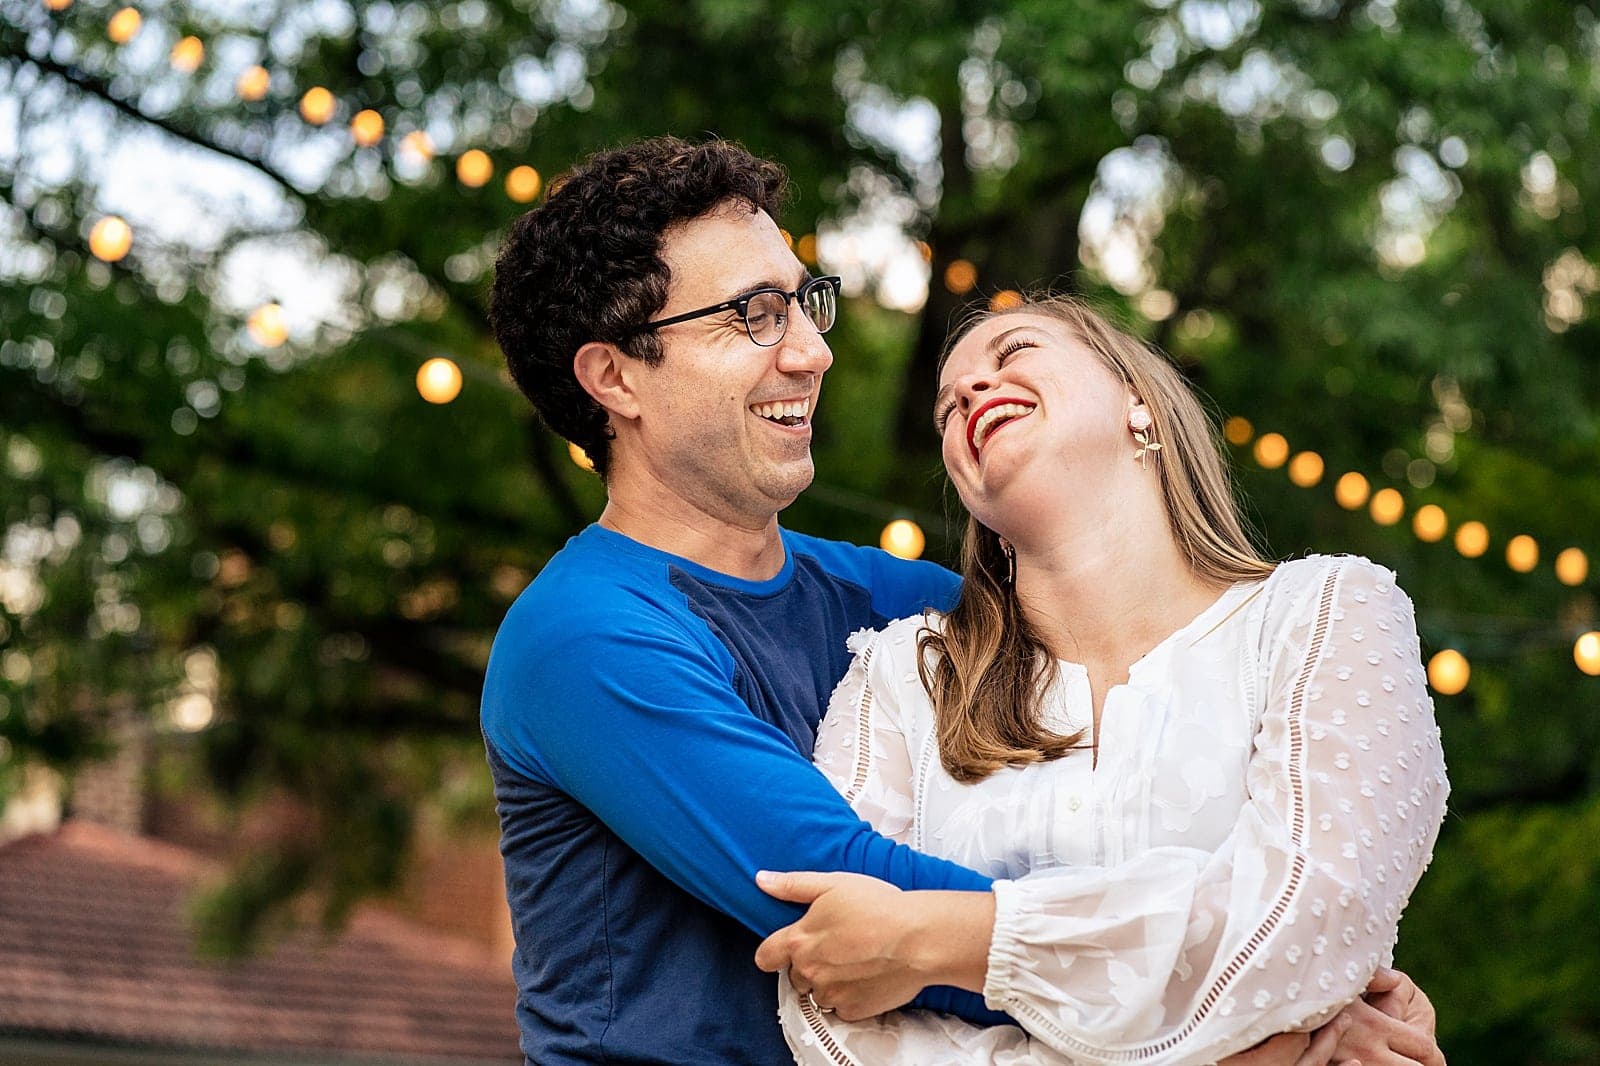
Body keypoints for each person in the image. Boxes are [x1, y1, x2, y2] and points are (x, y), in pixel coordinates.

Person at [483, 135, 1442, 1066]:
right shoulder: (586, 638)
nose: (812, 352)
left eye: (805, 303)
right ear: (615, 378)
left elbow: (1153, 822)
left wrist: (1317, 964)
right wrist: (1256, 1023)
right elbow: (850, 901)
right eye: (753, 315)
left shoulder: (899, 608)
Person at [755, 296, 1449, 1065]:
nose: (970, 395)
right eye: (948, 407)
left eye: (1013, 352)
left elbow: (1309, 921)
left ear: (1139, 400)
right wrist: (1252, 1050)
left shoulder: (1326, 614)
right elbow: (828, 1006)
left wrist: (932, 939)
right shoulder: (903, 674)